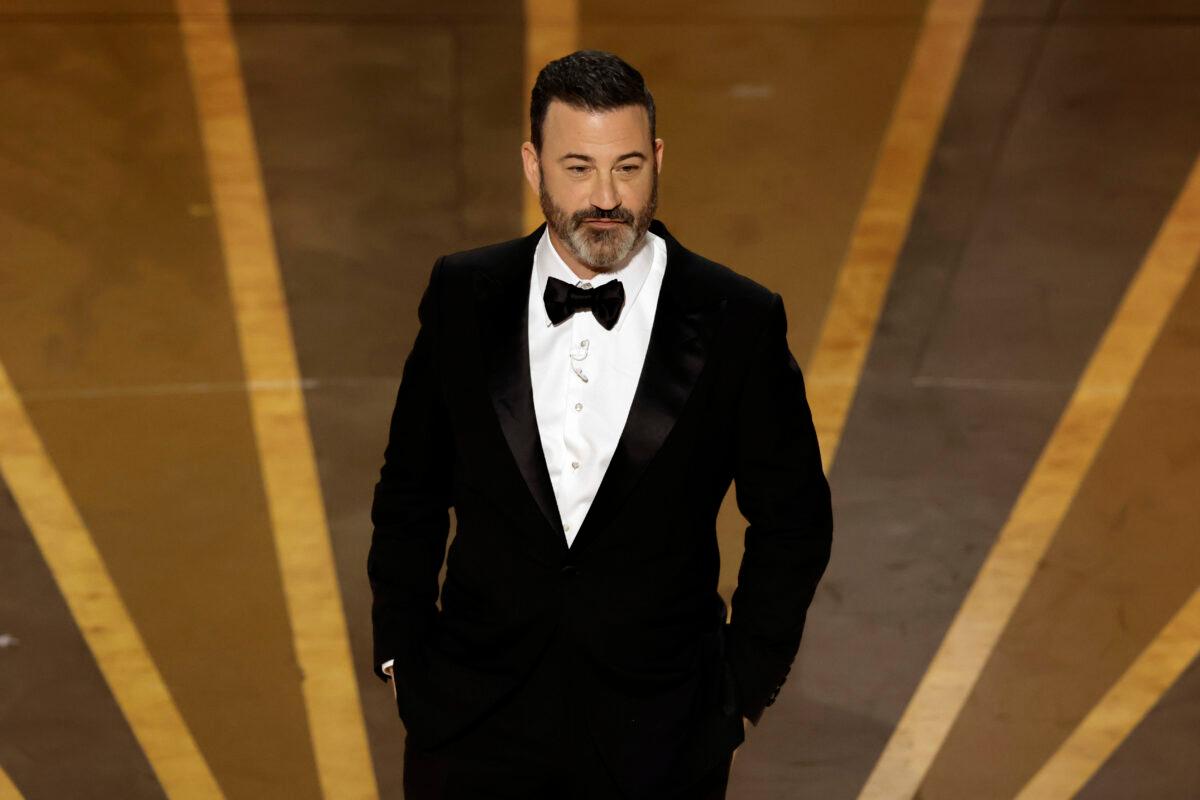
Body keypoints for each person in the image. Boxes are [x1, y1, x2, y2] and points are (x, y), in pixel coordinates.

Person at [367, 49, 832, 800]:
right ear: (534, 165)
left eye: (627, 167)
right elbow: (410, 488)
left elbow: (795, 520)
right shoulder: (462, 294)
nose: (606, 197)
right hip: (473, 725)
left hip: (661, 736)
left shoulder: (738, 320)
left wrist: (739, 695)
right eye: (578, 168)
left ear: (657, 160)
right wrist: (404, 655)